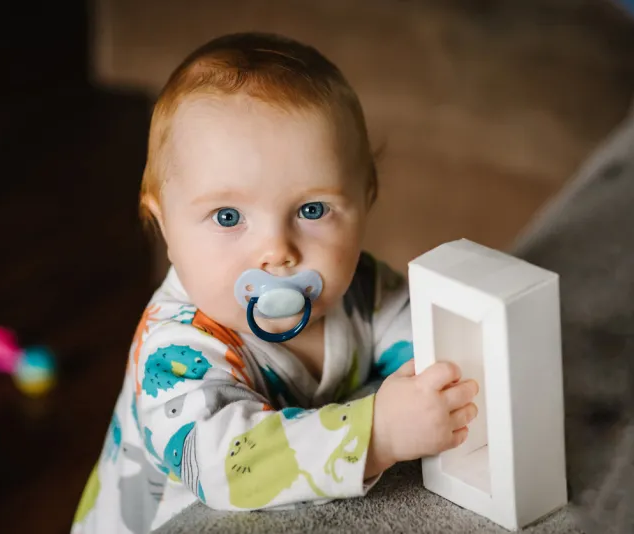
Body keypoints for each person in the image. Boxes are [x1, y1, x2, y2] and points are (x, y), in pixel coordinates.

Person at [71, 32, 480, 534]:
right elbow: (226, 465)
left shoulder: (363, 288)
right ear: (166, 229)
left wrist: (450, 376)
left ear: (366, 201)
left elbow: (429, 346)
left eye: (312, 210)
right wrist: (377, 433)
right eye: (227, 216)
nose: (276, 250)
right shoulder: (174, 350)